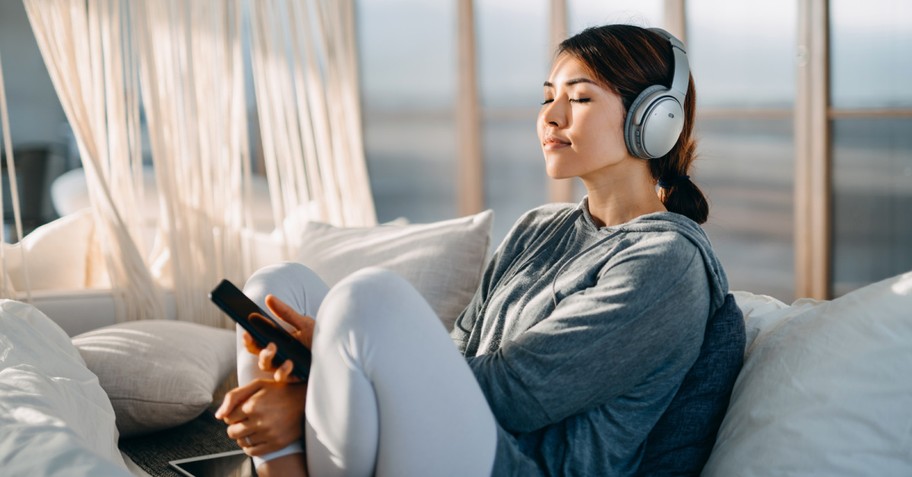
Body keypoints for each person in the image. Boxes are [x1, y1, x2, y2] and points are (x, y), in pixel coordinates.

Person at [215, 24, 744, 476]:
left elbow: (517, 394)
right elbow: (460, 345)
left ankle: (302, 426)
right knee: (273, 287)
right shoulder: (540, 227)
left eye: (579, 98)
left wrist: (319, 386)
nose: (551, 116)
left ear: (655, 122)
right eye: (547, 96)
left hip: (520, 464)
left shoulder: (667, 263)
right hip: (456, 438)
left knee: (366, 300)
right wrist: (333, 366)